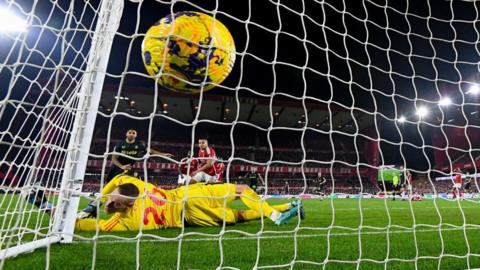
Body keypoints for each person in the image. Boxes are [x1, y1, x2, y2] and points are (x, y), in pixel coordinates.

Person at [71, 175, 305, 231]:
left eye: (114, 202)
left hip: (188, 219)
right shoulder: (136, 185)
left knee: (238, 217)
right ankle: (276, 215)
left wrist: (72, 217)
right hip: (188, 196)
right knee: (242, 190)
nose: (111, 204)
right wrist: (101, 199)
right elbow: (117, 181)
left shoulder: (129, 223)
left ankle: (286, 208)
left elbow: (95, 226)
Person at [108, 129, 173, 182]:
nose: (131, 134)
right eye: (130, 132)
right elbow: (113, 158)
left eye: (133, 133)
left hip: (128, 168)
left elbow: (151, 151)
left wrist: (163, 154)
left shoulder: (140, 144)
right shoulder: (120, 144)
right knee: (109, 183)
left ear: (136, 135)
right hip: (117, 167)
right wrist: (121, 166)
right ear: (126, 134)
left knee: (134, 181)